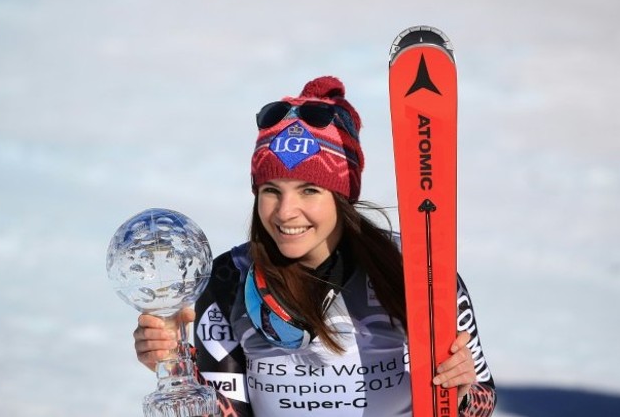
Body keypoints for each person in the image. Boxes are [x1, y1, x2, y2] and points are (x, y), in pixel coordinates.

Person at [133, 76, 496, 416]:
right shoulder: (230, 279)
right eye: (271, 191)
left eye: (309, 190)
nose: (286, 211)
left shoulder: (414, 270)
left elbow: (483, 398)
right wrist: (177, 369)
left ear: (342, 196)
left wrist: (461, 392)